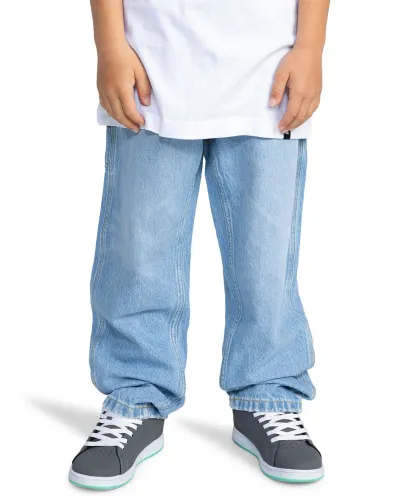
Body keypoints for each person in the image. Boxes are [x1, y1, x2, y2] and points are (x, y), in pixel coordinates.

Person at [68, 0, 330, 489]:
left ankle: (268, 392)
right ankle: (135, 392)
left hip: (267, 67)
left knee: (265, 255)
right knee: (141, 249)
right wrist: (110, 44)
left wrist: (311, 46)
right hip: (151, 62)